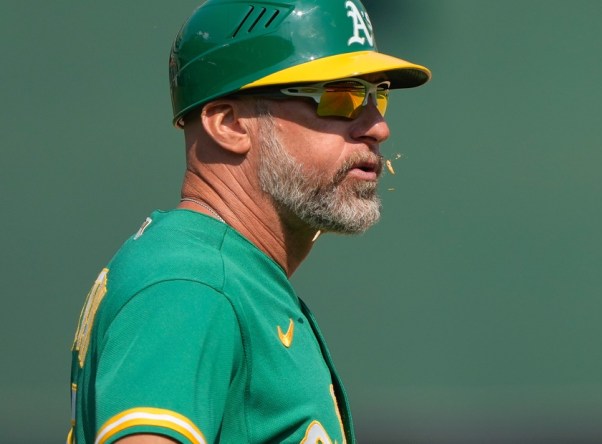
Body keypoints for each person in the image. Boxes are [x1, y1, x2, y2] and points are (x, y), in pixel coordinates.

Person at [67, 0, 431, 442]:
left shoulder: (231, 276)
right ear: (229, 124)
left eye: (378, 96)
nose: (376, 127)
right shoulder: (192, 284)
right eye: (340, 96)